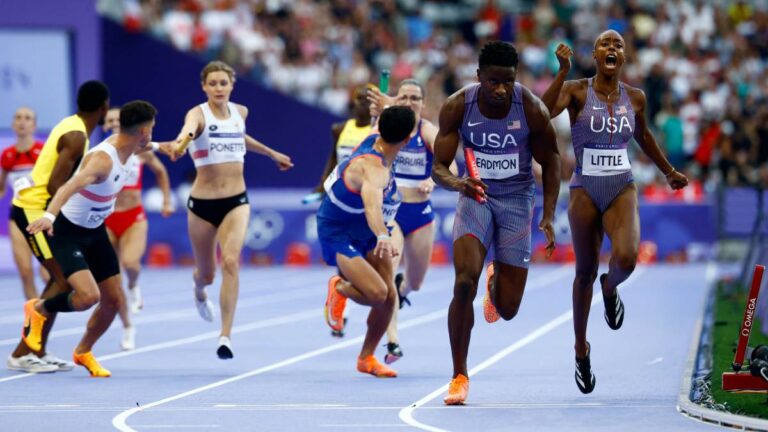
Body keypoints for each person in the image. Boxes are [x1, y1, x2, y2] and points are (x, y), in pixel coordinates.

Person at [540, 32, 688, 394]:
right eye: (605, 44)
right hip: (585, 186)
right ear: (594, 54)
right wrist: (561, 71)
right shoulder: (576, 91)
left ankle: (611, 288)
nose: (611, 48)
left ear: (624, 57)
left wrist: (668, 171)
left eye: (618, 45)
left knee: (626, 257)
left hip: (621, 184)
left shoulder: (635, 97)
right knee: (583, 272)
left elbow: (644, 135)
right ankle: (580, 349)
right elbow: (542, 112)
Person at [431, 41, 562, 405]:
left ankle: (496, 282)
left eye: (508, 81)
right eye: (493, 82)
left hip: (518, 200)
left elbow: (552, 162)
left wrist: (548, 214)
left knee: (508, 309)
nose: (501, 90)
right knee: (462, 283)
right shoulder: (458, 106)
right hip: (476, 196)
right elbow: (438, 167)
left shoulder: (531, 109)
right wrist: (460, 183)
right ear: (478, 77)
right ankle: (459, 374)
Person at [23, 100, 159, 377]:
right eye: (152, 130)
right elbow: (69, 185)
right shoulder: (103, 160)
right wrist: (49, 217)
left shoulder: (134, 145)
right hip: (67, 232)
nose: (152, 135)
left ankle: (83, 351)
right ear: (144, 130)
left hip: (95, 232)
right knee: (87, 297)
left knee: (113, 301)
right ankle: (39, 308)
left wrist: (178, 146)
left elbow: (160, 147)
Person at [170, 61, 293, 359]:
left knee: (230, 262)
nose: (218, 88)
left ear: (232, 85)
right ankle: (199, 289)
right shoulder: (197, 114)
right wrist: (180, 143)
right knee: (208, 275)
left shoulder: (241, 112)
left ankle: (225, 335)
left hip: (236, 201)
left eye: (223, 83)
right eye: (212, 84)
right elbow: (188, 131)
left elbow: (240, 137)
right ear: (204, 87)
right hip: (202, 205)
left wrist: (271, 152)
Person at [7, 80, 110, 374]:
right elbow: (55, 184)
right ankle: (22, 353)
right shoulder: (77, 136)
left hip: (42, 207)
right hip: (33, 210)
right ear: (104, 106)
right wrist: (61, 218)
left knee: (59, 281)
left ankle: (35, 349)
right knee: (63, 281)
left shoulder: (74, 125)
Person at [319, 105, 416, 378]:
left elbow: (387, 117)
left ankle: (366, 358)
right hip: (340, 231)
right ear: (407, 139)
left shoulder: (377, 137)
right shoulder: (373, 168)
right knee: (376, 295)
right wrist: (384, 235)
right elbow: (373, 208)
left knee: (389, 297)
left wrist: (387, 102)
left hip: (365, 229)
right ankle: (340, 288)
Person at [367, 79, 457, 364]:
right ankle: (392, 340)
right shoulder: (387, 124)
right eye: (403, 97)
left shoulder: (427, 130)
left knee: (415, 282)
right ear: (396, 99)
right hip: (391, 213)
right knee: (388, 273)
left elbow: (451, 165)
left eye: (414, 98)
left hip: (419, 214)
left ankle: (402, 290)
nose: (408, 102)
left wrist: (433, 179)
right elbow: (368, 150)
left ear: (422, 103)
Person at [102, 107, 174, 350]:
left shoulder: (140, 150)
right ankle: (127, 326)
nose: (113, 124)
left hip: (134, 216)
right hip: (107, 217)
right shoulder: (101, 153)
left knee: (131, 263)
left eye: (117, 121)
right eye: (109, 121)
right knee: (112, 280)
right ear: (104, 125)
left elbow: (161, 171)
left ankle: (134, 286)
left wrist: (166, 200)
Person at [0, 107, 48, 300]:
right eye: (18, 118)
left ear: (34, 125)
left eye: (27, 118)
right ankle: (35, 319)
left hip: (41, 214)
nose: (22, 121)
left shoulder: (43, 152)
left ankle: (48, 308)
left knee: (48, 274)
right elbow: (2, 187)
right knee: (25, 273)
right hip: (18, 217)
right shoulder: (7, 155)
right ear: (13, 124)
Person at [303, 84, 375, 204]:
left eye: (367, 100)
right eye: (359, 98)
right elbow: (333, 159)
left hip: (364, 191)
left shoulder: (377, 130)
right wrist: (322, 185)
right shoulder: (339, 129)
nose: (363, 102)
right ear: (354, 101)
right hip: (340, 190)